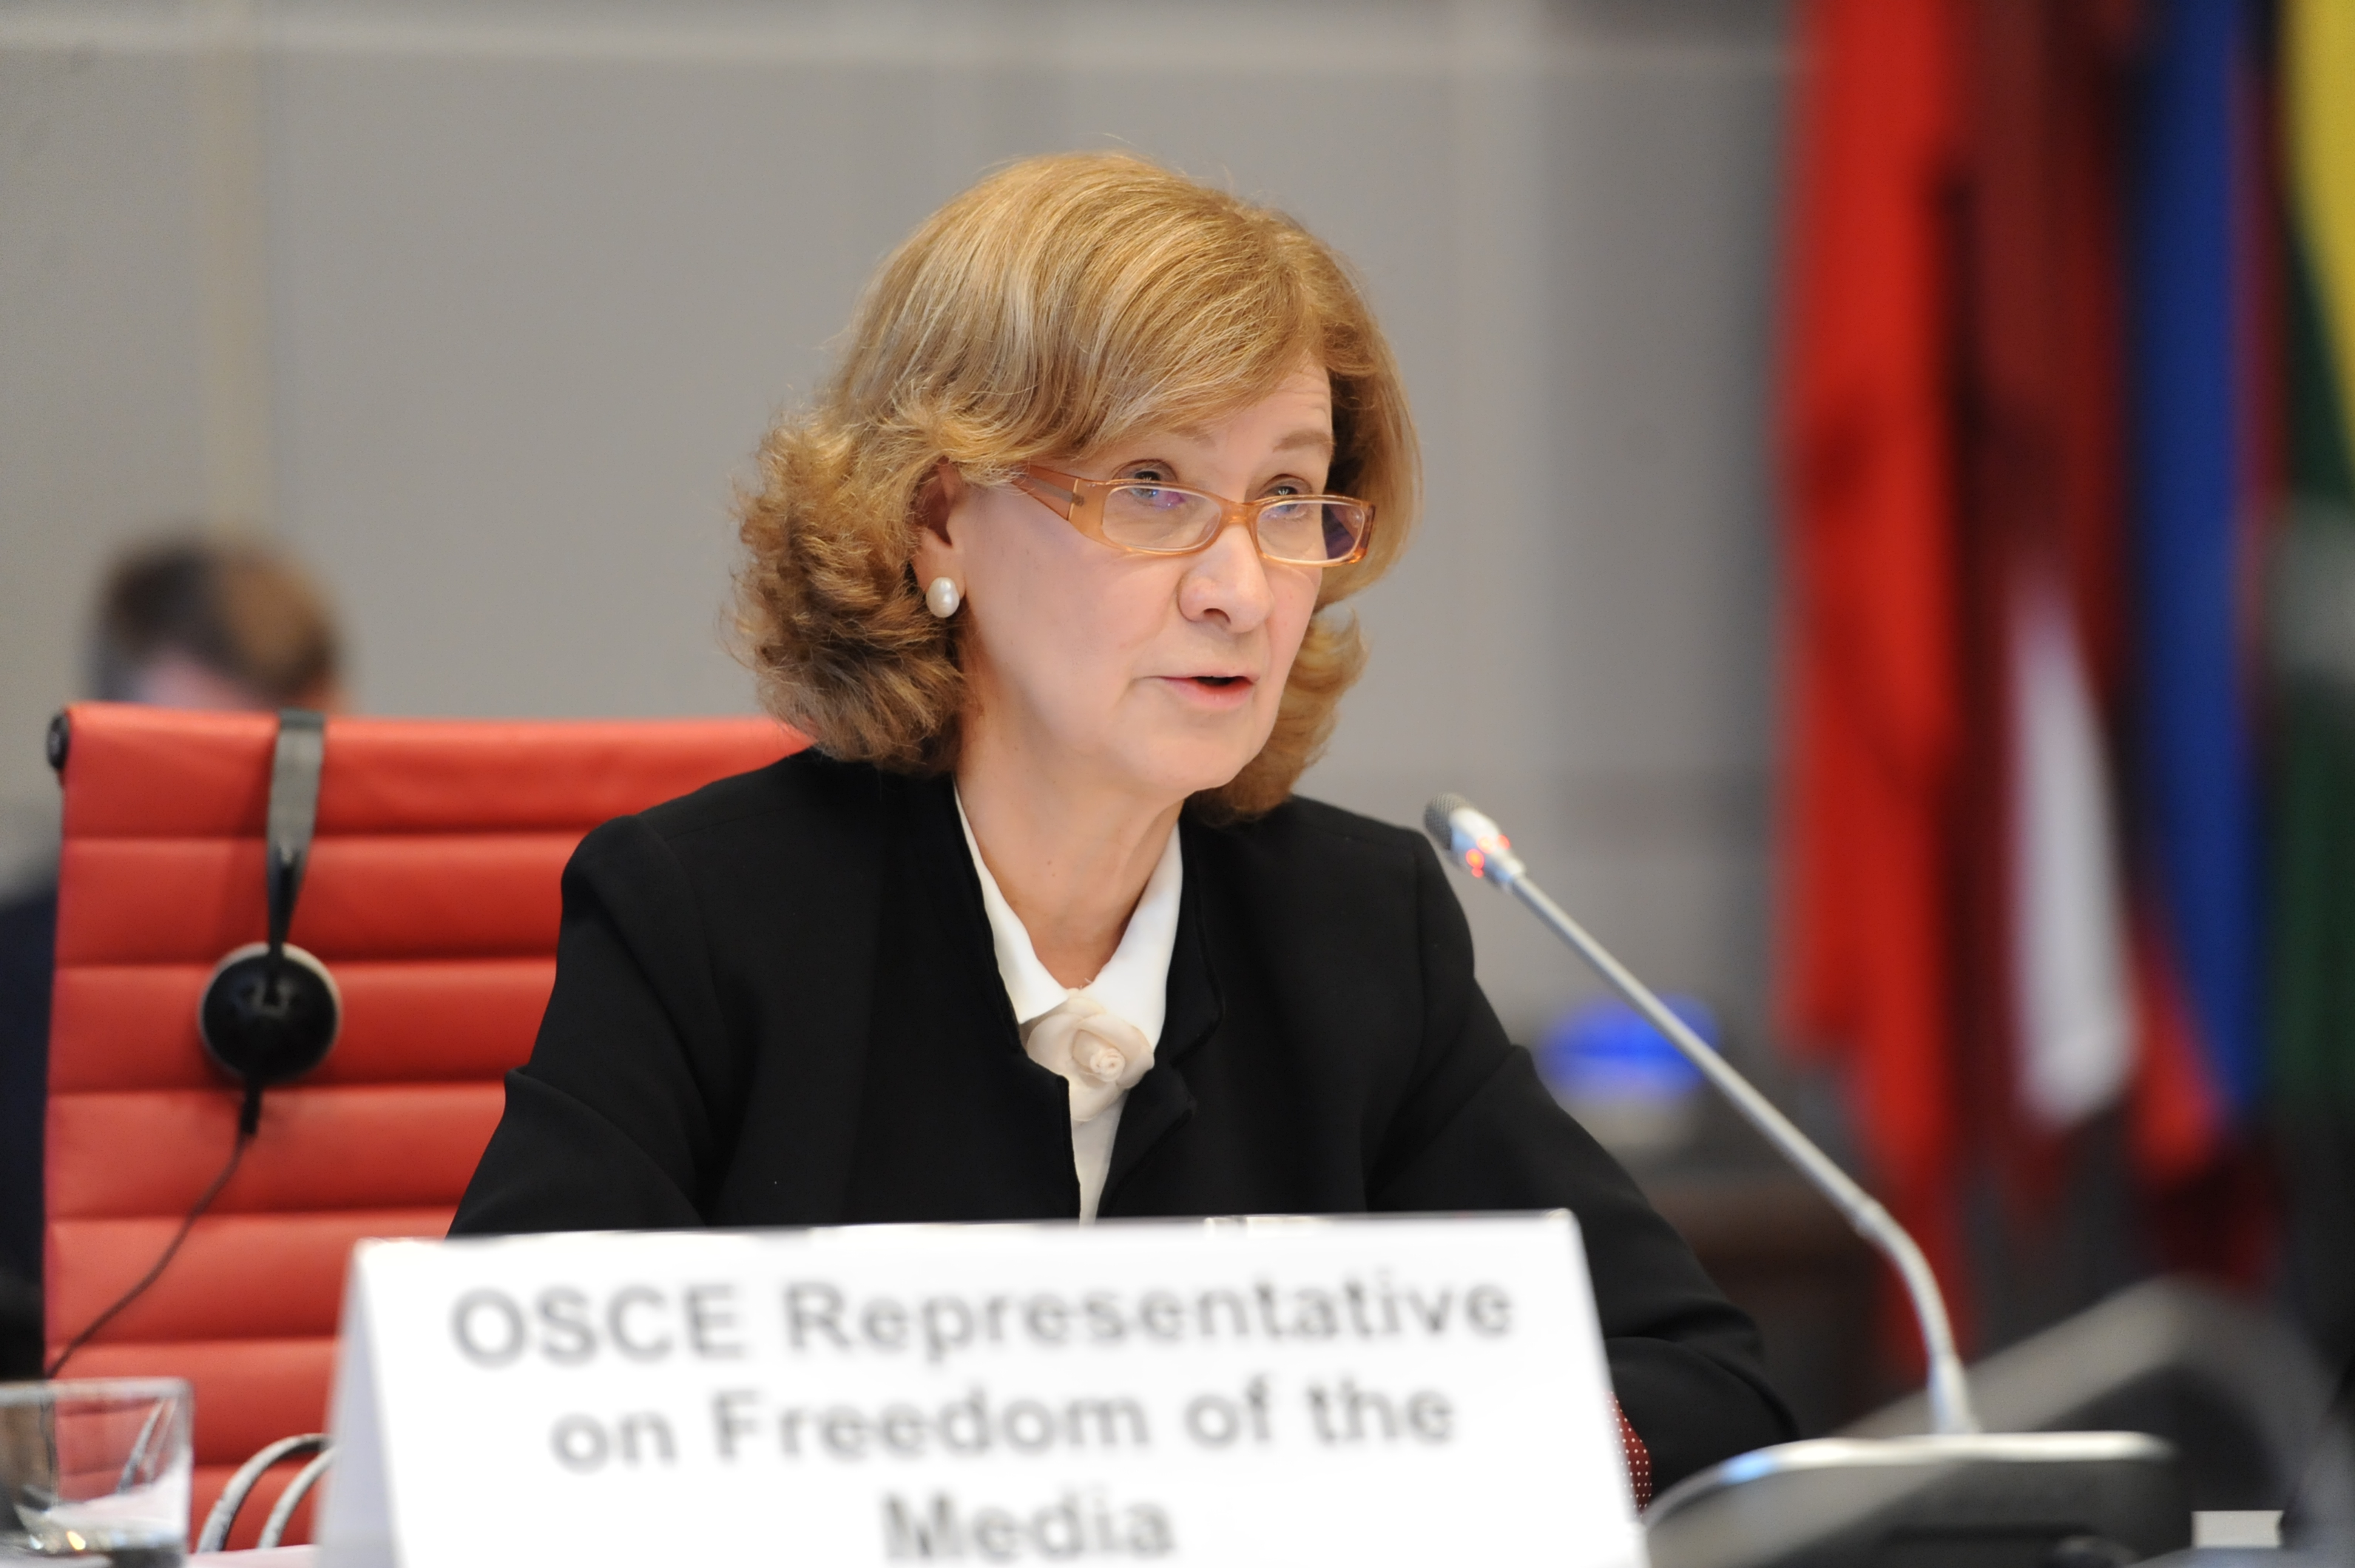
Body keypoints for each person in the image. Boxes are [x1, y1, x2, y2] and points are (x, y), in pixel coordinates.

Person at [450, 152, 1795, 1491]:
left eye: (1286, 498)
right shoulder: (706, 918)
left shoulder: (1357, 932)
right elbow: (505, 1441)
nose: (1240, 590)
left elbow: (1705, 1396)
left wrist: (1414, 1456)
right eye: (1152, 487)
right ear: (938, 520)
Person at [0, 534, 342, 1378]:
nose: (263, 821)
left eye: (292, 771)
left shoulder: (439, 962)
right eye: (206, 763)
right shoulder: (16, 975)